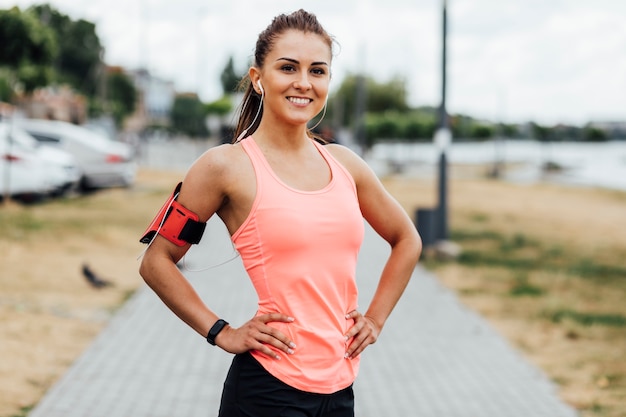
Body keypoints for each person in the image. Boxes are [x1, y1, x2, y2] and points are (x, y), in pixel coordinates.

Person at [139, 9, 421, 417]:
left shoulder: (347, 165)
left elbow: (407, 240)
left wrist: (375, 320)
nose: (303, 82)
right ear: (258, 78)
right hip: (266, 392)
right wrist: (221, 332)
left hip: (340, 388)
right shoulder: (224, 167)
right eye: (288, 67)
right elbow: (156, 261)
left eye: (318, 71)